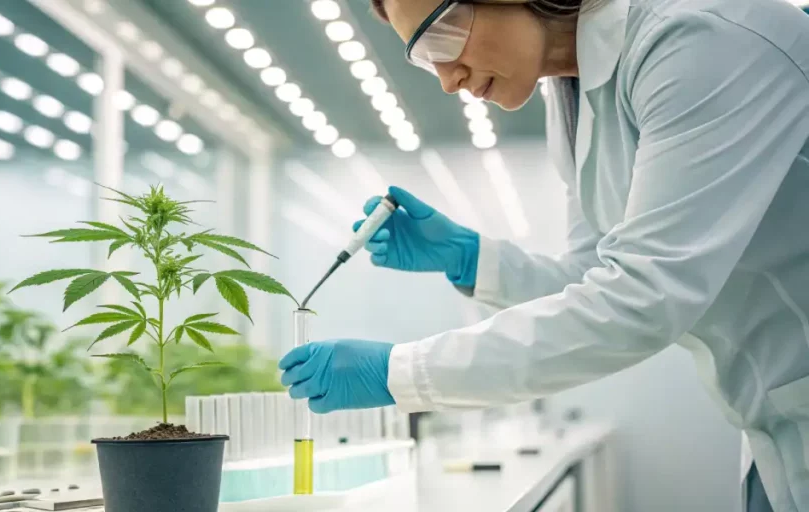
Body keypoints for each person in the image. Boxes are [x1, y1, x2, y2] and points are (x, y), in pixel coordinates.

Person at [276, 0, 809, 510]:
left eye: (441, 34)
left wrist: (400, 372)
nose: (446, 78)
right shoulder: (571, 91)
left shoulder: (699, 36)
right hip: (775, 426)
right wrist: (471, 257)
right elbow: (593, 275)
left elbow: (642, 299)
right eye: (423, 56)